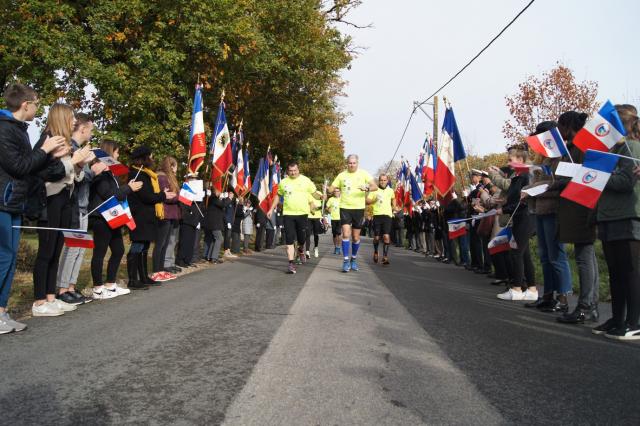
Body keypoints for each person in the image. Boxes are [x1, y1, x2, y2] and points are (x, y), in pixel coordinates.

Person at [0, 84, 68, 332]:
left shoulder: (19, 130)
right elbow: (19, 166)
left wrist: (54, 160)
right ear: (25, 104)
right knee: (4, 257)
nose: (38, 109)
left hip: (14, 203)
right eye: (37, 103)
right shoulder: (4, 129)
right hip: (3, 201)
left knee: (9, 259)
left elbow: (32, 168)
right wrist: (45, 150)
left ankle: (2, 312)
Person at [32, 103, 94, 317]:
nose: (74, 122)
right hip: (50, 200)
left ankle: (51, 297)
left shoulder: (64, 142)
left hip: (66, 198)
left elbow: (71, 177)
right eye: (71, 118)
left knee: (57, 250)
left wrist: (78, 165)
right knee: (46, 251)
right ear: (61, 117)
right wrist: (73, 162)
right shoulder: (47, 140)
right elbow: (46, 172)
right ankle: (39, 301)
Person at [591, 104, 640, 340]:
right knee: (615, 272)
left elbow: (625, 182)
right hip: (609, 217)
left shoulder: (632, 148)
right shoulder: (614, 152)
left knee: (630, 272)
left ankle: (634, 322)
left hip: (627, 218)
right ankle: (617, 318)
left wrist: (596, 175)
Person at [554, 111, 600, 324]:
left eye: (560, 127)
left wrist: (558, 182)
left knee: (585, 259)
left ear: (567, 126)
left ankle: (586, 306)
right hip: (576, 208)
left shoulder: (582, 147)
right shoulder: (575, 147)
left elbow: (586, 175)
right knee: (585, 258)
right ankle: (590, 305)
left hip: (582, 208)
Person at [522, 121, 572, 312]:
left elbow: (559, 185)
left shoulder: (562, 157)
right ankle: (548, 295)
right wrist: (528, 189)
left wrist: (534, 190)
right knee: (545, 256)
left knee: (557, 255)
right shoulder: (544, 159)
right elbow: (539, 183)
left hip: (554, 210)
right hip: (540, 210)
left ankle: (564, 296)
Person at [88, 140, 143, 297]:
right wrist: (128, 188)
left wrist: (128, 187)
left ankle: (110, 284)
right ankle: (97, 288)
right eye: (117, 152)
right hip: (101, 216)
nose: (118, 155)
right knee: (100, 252)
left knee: (118, 250)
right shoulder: (100, 172)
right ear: (110, 152)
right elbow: (108, 195)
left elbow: (118, 192)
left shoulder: (112, 173)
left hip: (114, 215)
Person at [489, 145, 538, 301]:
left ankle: (517, 288)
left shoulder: (525, 176)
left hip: (525, 217)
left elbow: (522, 201)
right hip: (521, 217)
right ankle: (531, 289)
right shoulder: (519, 177)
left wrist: (504, 209)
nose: (508, 163)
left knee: (516, 253)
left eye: (511, 160)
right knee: (524, 255)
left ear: (521, 160)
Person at [56, 113, 95, 305]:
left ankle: (71, 286)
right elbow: (80, 175)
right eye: (91, 128)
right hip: (74, 205)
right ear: (82, 128)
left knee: (80, 249)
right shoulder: (71, 147)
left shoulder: (81, 149)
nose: (92, 132)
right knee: (72, 248)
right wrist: (91, 169)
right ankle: (63, 288)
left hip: (83, 205)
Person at [127, 146, 176, 287]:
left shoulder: (147, 174)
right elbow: (146, 196)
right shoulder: (137, 174)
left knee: (144, 247)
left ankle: (143, 277)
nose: (152, 159)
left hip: (147, 217)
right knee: (137, 246)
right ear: (144, 158)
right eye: (151, 156)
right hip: (139, 217)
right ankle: (132, 279)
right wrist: (163, 195)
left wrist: (161, 194)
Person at [327, 155, 377, 272]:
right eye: (349, 163)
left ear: (357, 163)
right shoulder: (341, 175)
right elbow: (331, 189)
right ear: (347, 163)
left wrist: (367, 188)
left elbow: (375, 186)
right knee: (345, 234)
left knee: (355, 237)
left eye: (354, 163)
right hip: (345, 207)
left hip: (359, 209)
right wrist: (328, 188)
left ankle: (353, 259)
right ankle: (345, 261)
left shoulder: (363, 173)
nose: (351, 165)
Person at [267, 161, 318, 274]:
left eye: (295, 170)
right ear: (287, 171)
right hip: (288, 214)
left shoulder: (306, 180)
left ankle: (300, 250)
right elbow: (278, 196)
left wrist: (322, 195)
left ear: (298, 170)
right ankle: (290, 263)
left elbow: (314, 193)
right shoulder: (283, 182)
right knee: (289, 239)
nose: (293, 173)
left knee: (302, 238)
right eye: (291, 171)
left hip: (302, 214)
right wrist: (271, 209)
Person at [152, 156, 180, 281]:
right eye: (175, 167)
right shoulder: (162, 177)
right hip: (164, 213)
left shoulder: (167, 177)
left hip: (170, 214)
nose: (176, 170)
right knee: (160, 244)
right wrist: (179, 196)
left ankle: (161, 269)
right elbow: (166, 196)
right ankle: (156, 271)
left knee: (165, 243)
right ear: (171, 166)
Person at [366, 174, 396, 265]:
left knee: (386, 236)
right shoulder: (374, 189)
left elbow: (393, 198)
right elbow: (367, 201)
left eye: (384, 180)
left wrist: (393, 206)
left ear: (387, 181)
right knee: (376, 237)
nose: (383, 182)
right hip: (377, 215)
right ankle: (375, 251)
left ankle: (385, 257)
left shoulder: (390, 190)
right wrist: (374, 200)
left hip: (387, 215)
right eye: (381, 180)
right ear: (379, 181)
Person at [203, 188, 232, 263]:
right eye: (219, 190)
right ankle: (214, 257)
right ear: (215, 191)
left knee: (215, 239)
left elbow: (222, 206)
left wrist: (223, 198)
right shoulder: (213, 198)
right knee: (219, 238)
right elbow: (223, 204)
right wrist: (229, 198)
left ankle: (210, 256)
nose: (220, 192)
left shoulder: (215, 198)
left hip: (215, 223)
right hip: (214, 223)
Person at [306, 192, 323, 258]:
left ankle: (316, 247)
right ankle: (307, 251)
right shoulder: (307, 193)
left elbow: (322, 205)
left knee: (316, 234)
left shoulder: (319, 193)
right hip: (308, 216)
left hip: (317, 216)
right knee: (307, 234)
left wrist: (317, 208)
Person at [327, 188, 342, 254]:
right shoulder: (331, 199)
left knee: (339, 234)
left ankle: (339, 247)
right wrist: (328, 209)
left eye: (337, 191)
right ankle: (336, 247)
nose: (336, 192)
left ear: (340, 192)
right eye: (335, 191)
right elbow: (327, 207)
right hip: (333, 218)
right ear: (333, 192)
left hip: (340, 218)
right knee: (334, 234)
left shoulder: (342, 199)